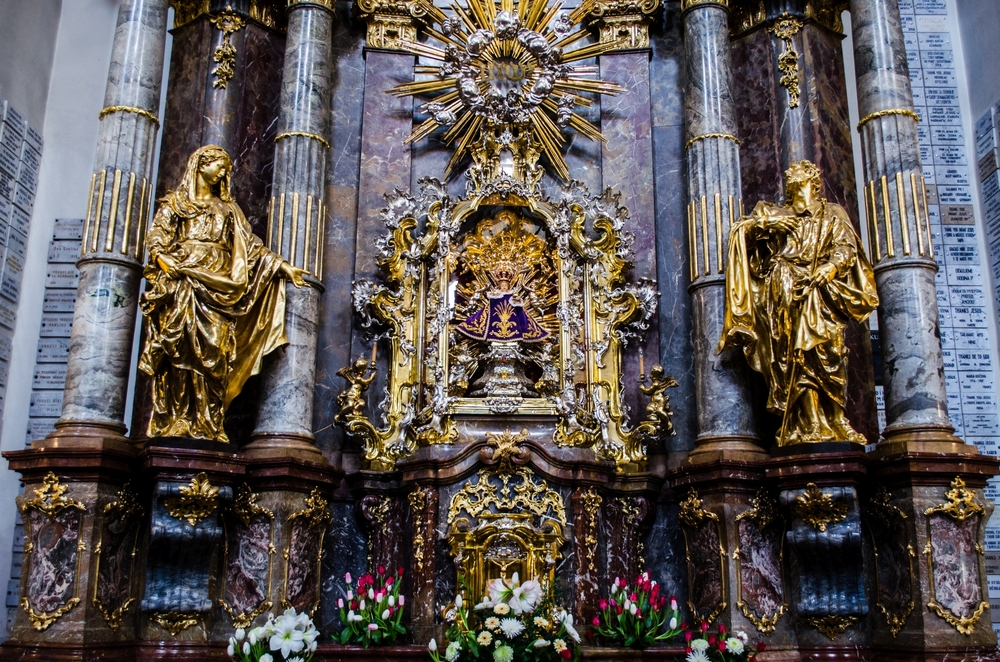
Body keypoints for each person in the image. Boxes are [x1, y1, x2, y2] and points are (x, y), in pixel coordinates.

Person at [138, 145, 306, 442]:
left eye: (226, 168)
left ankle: (207, 421)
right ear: (200, 165)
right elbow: (156, 240)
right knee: (177, 350)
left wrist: (283, 267)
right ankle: (176, 420)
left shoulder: (228, 210)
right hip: (181, 285)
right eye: (219, 165)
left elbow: (250, 247)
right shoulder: (175, 205)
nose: (223, 173)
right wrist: (166, 261)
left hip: (218, 287)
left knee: (214, 352)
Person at [718, 160, 879, 445]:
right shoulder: (775, 212)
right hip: (784, 293)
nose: (793, 173)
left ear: (814, 181)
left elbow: (846, 247)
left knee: (831, 352)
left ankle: (835, 418)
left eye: (802, 171)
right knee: (792, 356)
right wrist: (768, 222)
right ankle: (805, 423)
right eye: (790, 171)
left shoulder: (832, 214)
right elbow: (740, 233)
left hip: (821, 293)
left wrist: (827, 268)